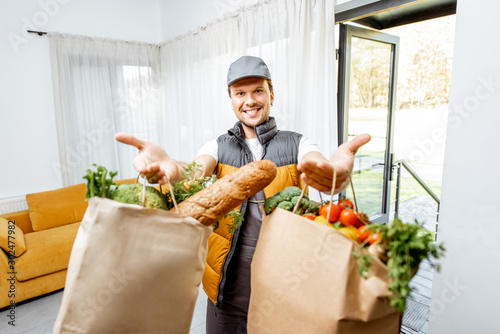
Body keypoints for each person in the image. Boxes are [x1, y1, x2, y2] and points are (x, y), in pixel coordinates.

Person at [115, 56, 370, 333]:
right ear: (232, 100)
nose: (250, 100)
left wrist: (333, 172)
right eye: (240, 93)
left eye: (258, 91)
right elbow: (193, 172)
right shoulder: (217, 146)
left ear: (271, 94)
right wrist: (172, 169)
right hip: (226, 286)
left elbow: (319, 163)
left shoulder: (298, 143)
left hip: (282, 283)